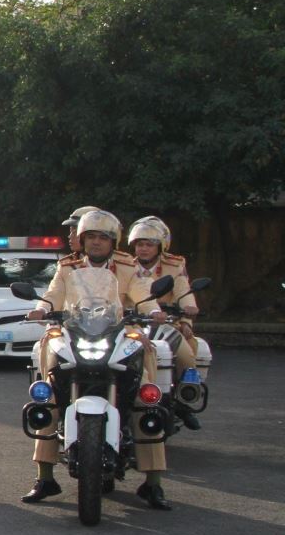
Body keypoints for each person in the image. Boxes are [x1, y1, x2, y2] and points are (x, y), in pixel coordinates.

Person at [22, 209, 166, 509]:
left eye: (103, 237)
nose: (97, 242)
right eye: (91, 237)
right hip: (77, 330)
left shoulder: (128, 265)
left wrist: (152, 310)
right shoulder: (68, 266)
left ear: (113, 241)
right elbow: (53, 294)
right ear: (83, 239)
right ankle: (44, 477)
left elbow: (143, 293)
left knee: (145, 387)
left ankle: (153, 483)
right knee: (48, 390)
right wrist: (41, 308)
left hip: (120, 330)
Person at [125, 216, 202, 431]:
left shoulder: (175, 265)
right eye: (140, 244)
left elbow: (183, 291)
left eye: (149, 244)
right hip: (134, 324)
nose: (144, 249)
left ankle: (183, 401)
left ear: (160, 246)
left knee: (187, 354)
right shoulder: (125, 266)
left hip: (168, 323)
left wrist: (188, 311)